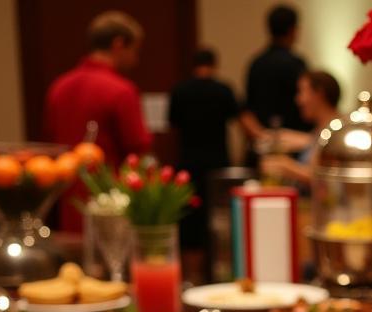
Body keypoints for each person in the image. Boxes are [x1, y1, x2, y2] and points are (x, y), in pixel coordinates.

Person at [44, 11, 152, 232]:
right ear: (119, 44)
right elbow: (138, 151)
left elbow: (50, 144)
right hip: (111, 207)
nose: (136, 59)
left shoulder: (58, 88)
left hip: (68, 205)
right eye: (135, 50)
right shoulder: (121, 90)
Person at [168, 49, 239, 248]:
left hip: (188, 162)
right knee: (219, 217)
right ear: (214, 65)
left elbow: (173, 124)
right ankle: (219, 263)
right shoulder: (223, 90)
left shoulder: (179, 91)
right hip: (218, 163)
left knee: (190, 219)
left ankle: (192, 271)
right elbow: (238, 120)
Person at [241, 4, 309, 160]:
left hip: (261, 148)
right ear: (293, 30)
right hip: (293, 151)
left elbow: (246, 111)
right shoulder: (296, 64)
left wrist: (263, 137)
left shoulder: (256, 63)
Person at [260, 71, 341, 188]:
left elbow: (326, 181)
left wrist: (286, 166)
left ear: (319, 93)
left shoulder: (337, 131)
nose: (298, 99)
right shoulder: (320, 130)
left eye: (301, 91)